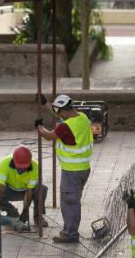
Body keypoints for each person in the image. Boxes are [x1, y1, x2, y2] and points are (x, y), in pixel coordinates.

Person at [35, 94, 93, 243]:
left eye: (60, 113)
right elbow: (59, 113)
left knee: (69, 203)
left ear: (64, 111)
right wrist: (46, 103)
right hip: (83, 168)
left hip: (72, 171)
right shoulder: (82, 117)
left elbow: (48, 135)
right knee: (73, 200)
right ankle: (70, 231)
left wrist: (39, 126)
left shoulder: (66, 126)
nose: (59, 116)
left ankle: (70, 234)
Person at [0, 145, 48, 229]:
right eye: (19, 167)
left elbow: (29, 190)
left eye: (24, 168)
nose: (21, 170)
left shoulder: (35, 168)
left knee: (42, 189)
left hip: (26, 191)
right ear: (14, 161)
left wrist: (25, 210)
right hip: (10, 190)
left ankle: (37, 216)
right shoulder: (5, 163)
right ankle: (12, 212)